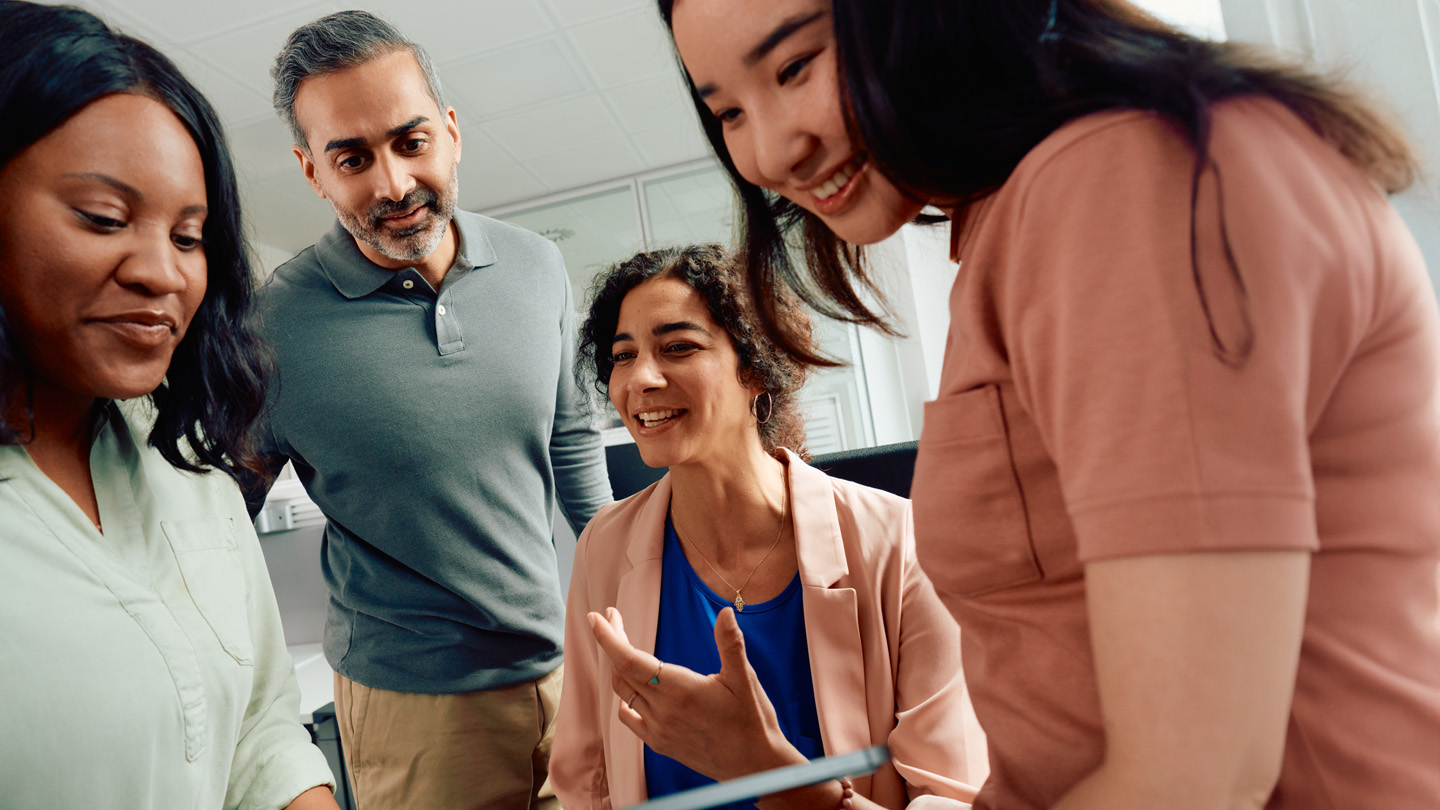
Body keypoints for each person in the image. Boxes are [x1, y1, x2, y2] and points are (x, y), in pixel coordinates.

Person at [654, 1, 1440, 809]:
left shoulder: (1115, 178)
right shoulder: (1019, 213)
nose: (771, 150)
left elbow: (1197, 779)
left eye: (796, 68)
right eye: (730, 113)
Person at [249, 10, 613, 809]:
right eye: (352, 158)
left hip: (566, 667)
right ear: (313, 173)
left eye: (411, 142)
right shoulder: (270, 325)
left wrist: (637, 585)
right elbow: (223, 521)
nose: (393, 185)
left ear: (450, 133)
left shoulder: (535, 265)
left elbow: (571, 437)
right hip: (412, 707)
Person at [0, 3, 338, 808]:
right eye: (104, 218)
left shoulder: (184, 462)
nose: (163, 273)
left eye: (189, 237)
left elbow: (260, 732)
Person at [552, 244, 979, 810]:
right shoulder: (604, 546)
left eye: (678, 347)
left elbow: (949, 797)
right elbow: (588, 779)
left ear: (756, 366)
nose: (641, 379)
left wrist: (767, 773)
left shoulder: (900, 542)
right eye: (623, 356)